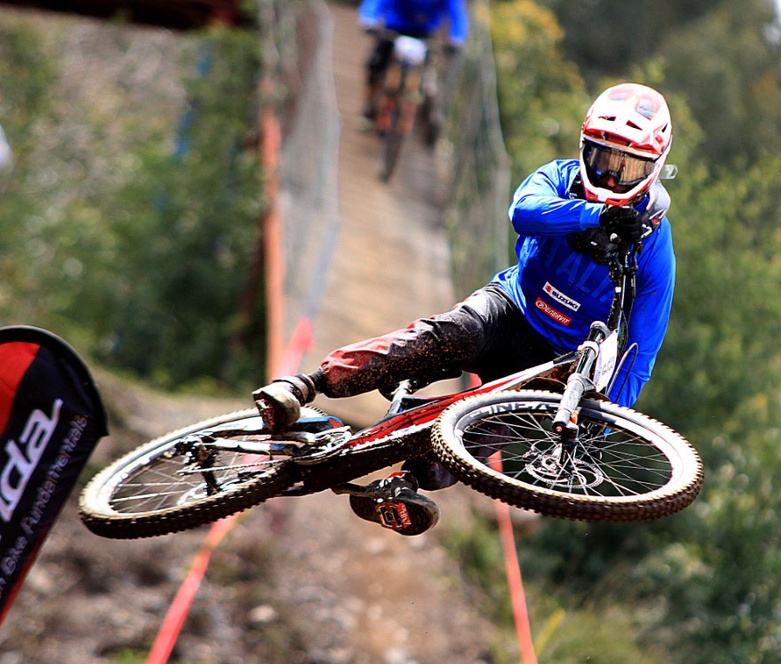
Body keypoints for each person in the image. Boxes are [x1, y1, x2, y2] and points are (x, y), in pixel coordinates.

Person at [254, 83, 677, 533]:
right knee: (444, 337)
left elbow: (641, 348)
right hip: (509, 308)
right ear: (582, 148)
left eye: (625, 165)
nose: (609, 175)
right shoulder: (559, 177)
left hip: (551, 362)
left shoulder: (655, 246)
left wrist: (603, 417)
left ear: (653, 168)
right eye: (600, 157)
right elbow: (524, 211)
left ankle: (403, 486)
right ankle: (304, 387)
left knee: (475, 441)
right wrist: (591, 216)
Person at [357, 0, 469, 126]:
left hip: (425, 34)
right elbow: (376, 2)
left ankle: (423, 105)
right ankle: (370, 104)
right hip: (395, 28)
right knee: (375, 64)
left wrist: (457, 38)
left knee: (428, 75)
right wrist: (368, 18)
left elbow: (458, 14)